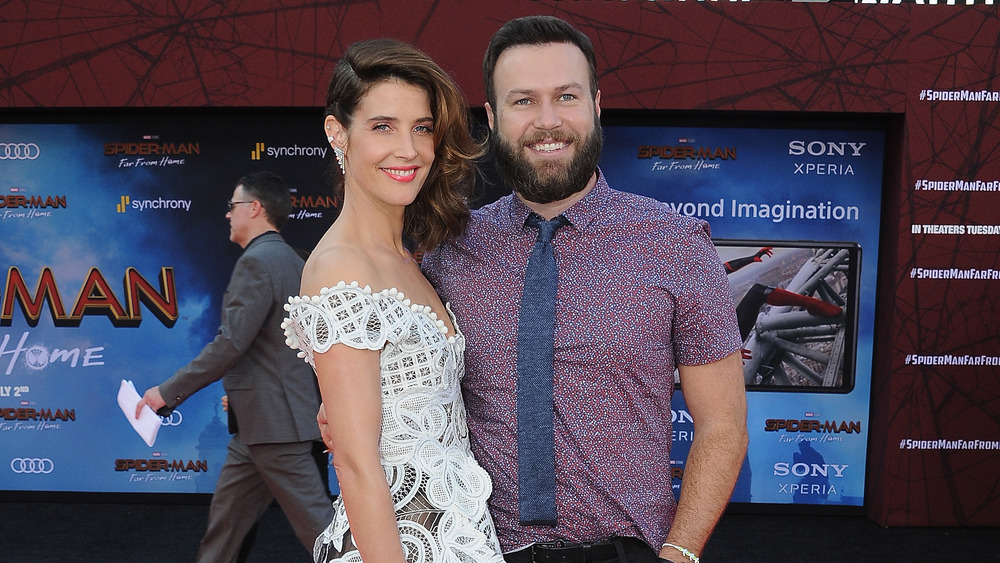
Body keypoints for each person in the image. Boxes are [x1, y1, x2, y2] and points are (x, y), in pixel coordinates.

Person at [420, 16, 750, 563]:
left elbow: (723, 426)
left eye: (566, 97)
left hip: (629, 550)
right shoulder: (450, 252)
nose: (547, 122)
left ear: (596, 106)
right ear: (494, 116)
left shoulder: (677, 243)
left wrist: (680, 553)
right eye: (523, 101)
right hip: (479, 549)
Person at [281, 39, 504, 562]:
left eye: (421, 128)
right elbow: (357, 465)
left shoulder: (408, 259)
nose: (408, 150)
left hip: (452, 532)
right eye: (383, 126)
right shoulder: (342, 267)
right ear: (339, 134)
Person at [135, 171, 334, 562]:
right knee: (225, 531)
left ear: (255, 208)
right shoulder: (292, 260)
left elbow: (232, 343)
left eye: (233, 206)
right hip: (260, 424)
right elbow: (276, 350)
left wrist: (166, 391)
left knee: (323, 533)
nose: (227, 215)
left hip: (275, 427)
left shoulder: (257, 263)